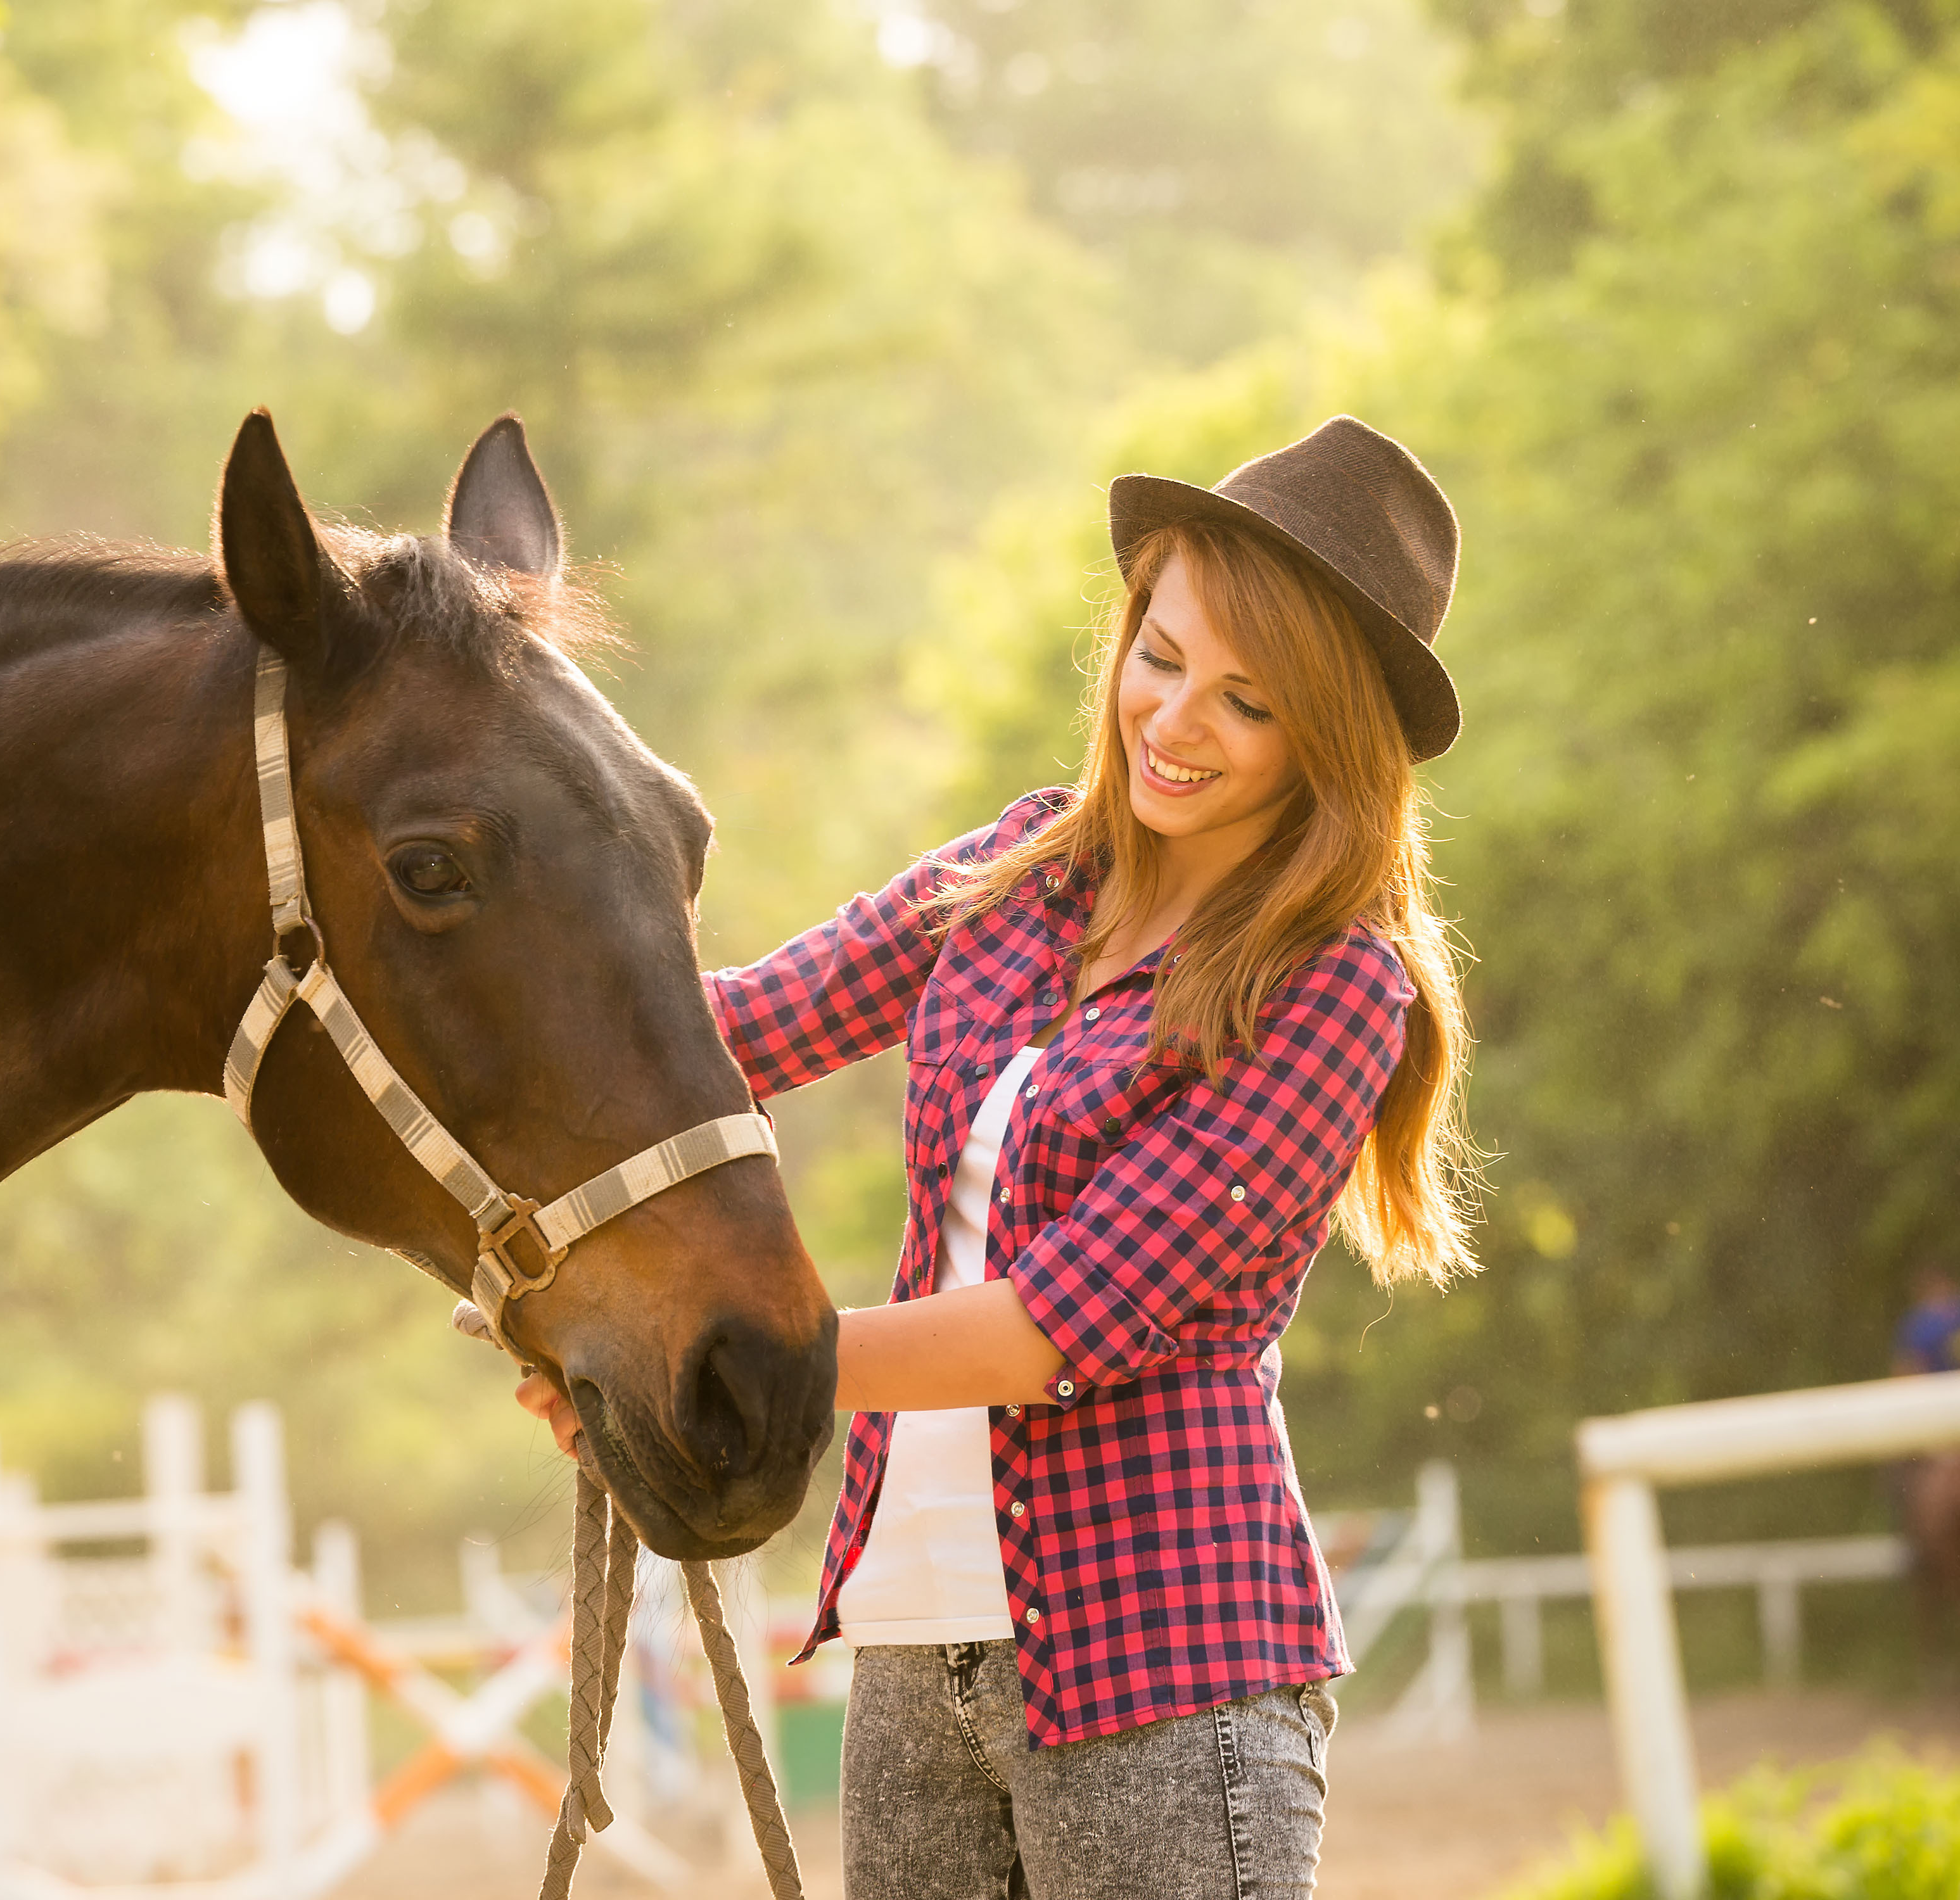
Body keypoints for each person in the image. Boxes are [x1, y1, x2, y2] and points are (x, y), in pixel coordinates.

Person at [518, 417, 1480, 1900]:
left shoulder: (1336, 987)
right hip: (913, 1638)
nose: (1173, 718)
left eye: (1246, 702)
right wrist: (477, 1020)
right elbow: (739, 1027)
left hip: (1165, 1658)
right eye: (1160, 655)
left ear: (1327, 740)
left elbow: (1056, 1325)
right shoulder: (1026, 869)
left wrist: (729, 1362)